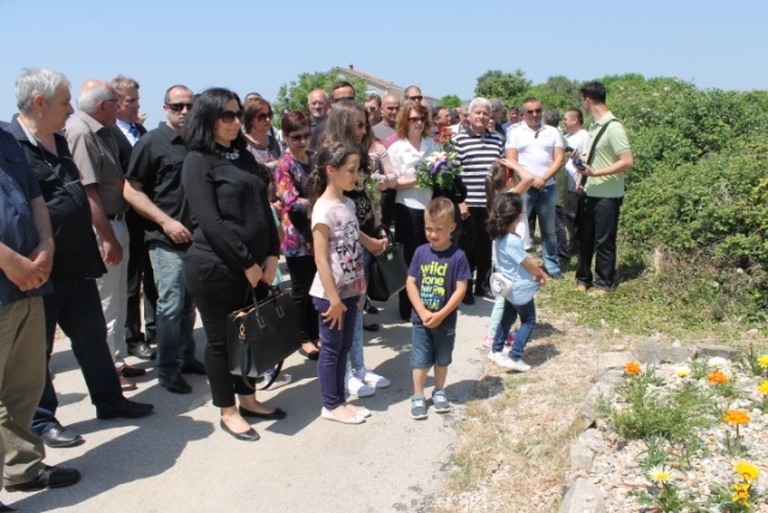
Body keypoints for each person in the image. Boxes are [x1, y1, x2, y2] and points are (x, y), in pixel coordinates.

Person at [10, 68, 153, 449]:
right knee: (38, 351)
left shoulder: (58, 139)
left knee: (91, 337)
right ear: (39, 103)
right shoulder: (11, 146)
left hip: (77, 259)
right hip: (40, 270)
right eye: (64, 101)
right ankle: (42, 419)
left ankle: (109, 400)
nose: (71, 108)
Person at [182, 88, 285, 442]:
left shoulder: (242, 155)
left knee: (248, 336)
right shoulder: (198, 160)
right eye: (227, 115)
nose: (235, 121)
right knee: (221, 341)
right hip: (216, 268)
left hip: (256, 264)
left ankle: (249, 399)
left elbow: (264, 208)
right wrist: (247, 264)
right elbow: (211, 223)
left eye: (237, 113)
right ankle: (227, 410)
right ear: (208, 119)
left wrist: (272, 254)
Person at [0, 121, 81, 499]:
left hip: (29, 284)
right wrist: (10, 262)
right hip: (9, 278)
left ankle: (23, 470)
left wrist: (46, 248)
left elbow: (35, 198)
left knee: (24, 386)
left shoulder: (7, 138)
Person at [123, 84, 206, 395]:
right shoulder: (150, 143)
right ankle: (167, 368)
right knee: (170, 305)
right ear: (165, 109)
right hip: (164, 238)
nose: (183, 111)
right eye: (176, 106)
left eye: (188, 106)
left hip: (197, 239)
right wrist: (166, 222)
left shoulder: (199, 142)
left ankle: (187, 357)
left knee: (189, 304)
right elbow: (130, 191)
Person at [65, 79, 144, 391]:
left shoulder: (104, 131)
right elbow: (89, 192)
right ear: (102, 106)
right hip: (105, 226)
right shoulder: (82, 133)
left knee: (120, 300)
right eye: (116, 102)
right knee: (107, 302)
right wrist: (108, 236)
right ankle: (110, 369)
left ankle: (119, 360)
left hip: (118, 222)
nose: (122, 107)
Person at [316, 100, 389, 397]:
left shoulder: (359, 155)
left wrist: (379, 227)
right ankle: (344, 373)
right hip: (340, 248)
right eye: (358, 124)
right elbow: (333, 212)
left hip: (361, 243)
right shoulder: (330, 156)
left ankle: (358, 367)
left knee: (357, 309)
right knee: (341, 316)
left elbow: (366, 198)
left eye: (365, 124)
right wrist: (367, 239)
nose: (363, 129)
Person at [307, 143, 369, 424]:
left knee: (344, 347)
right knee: (331, 349)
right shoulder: (322, 210)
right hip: (329, 296)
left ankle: (341, 399)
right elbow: (321, 260)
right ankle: (330, 405)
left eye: (357, 170)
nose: (356, 176)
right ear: (331, 171)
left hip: (350, 290)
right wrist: (333, 299)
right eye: (351, 170)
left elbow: (354, 247)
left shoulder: (349, 204)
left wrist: (360, 284)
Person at [405, 197, 470, 420]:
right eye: (428, 228)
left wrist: (442, 314)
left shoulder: (458, 256)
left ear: (452, 227)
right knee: (420, 360)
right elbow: (411, 282)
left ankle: (439, 389)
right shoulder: (420, 252)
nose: (432, 234)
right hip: (421, 320)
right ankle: (418, 395)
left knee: (442, 359)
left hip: (446, 320)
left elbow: (461, 289)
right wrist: (422, 311)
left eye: (439, 229)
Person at [110, 75, 157, 363]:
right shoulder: (110, 134)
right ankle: (132, 335)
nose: (136, 106)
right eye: (131, 101)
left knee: (152, 276)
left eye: (137, 100)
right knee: (131, 281)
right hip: (128, 216)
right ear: (115, 103)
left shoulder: (140, 130)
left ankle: (154, 329)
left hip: (149, 213)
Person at [575, 81, 633, 295]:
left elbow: (627, 161)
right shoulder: (594, 125)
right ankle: (583, 280)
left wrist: (596, 173)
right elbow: (598, 157)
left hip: (608, 195)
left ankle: (603, 284)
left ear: (588, 100)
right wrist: (582, 163)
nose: (582, 104)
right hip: (590, 192)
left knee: (604, 241)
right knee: (585, 239)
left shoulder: (613, 126)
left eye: (582, 100)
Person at [274, 110, 321, 361]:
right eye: (296, 137)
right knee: (301, 289)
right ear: (285, 137)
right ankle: (303, 337)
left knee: (317, 286)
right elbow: (289, 200)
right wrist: (318, 206)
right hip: (297, 235)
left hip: (317, 232)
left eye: (306, 135)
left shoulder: (312, 158)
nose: (302, 141)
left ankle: (315, 332)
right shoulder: (284, 164)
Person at [505, 97, 565, 280]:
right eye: (530, 111)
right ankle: (516, 263)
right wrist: (529, 179)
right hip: (524, 188)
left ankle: (552, 265)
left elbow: (559, 159)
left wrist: (544, 178)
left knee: (549, 229)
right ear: (523, 114)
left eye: (538, 110)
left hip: (547, 187)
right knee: (517, 228)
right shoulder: (515, 132)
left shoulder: (553, 132)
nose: (535, 115)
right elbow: (511, 160)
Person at [388, 99, 438, 321]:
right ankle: (407, 307)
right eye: (413, 119)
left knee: (429, 257)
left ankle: (427, 301)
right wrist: (419, 179)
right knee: (410, 259)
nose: (418, 123)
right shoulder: (397, 148)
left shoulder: (433, 145)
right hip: (407, 208)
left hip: (429, 208)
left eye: (421, 118)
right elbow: (393, 181)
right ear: (404, 121)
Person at [486, 192, 547, 372]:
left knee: (508, 317)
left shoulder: (498, 236)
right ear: (519, 216)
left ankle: (496, 349)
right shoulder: (512, 240)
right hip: (519, 288)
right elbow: (527, 263)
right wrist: (540, 274)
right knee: (528, 320)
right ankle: (515, 356)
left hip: (508, 287)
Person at [453, 97, 505, 304]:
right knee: (465, 248)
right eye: (478, 113)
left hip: (489, 204)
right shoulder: (459, 140)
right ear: (470, 115)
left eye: (485, 113)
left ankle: (482, 286)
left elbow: (501, 172)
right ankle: (463, 290)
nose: (482, 117)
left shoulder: (497, 140)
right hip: (467, 203)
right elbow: (452, 174)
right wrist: (460, 202)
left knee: (486, 247)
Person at [481, 160, 534, 349]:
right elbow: (530, 178)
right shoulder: (510, 196)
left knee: (506, 295)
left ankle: (503, 332)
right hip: (509, 252)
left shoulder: (496, 198)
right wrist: (514, 164)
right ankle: (492, 335)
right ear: (510, 179)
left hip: (502, 252)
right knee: (502, 298)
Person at [563, 108, 589, 257]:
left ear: (575, 120)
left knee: (574, 215)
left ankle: (577, 244)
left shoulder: (584, 136)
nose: (564, 122)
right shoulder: (567, 136)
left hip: (576, 182)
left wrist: (582, 179)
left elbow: (586, 159)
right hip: (566, 181)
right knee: (567, 215)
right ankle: (572, 241)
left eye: (566, 119)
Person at [242, 97, 280, 169]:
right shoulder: (242, 143)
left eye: (269, 115)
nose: (268, 119)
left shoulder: (273, 142)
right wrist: (272, 165)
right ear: (250, 120)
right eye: (262, 116)